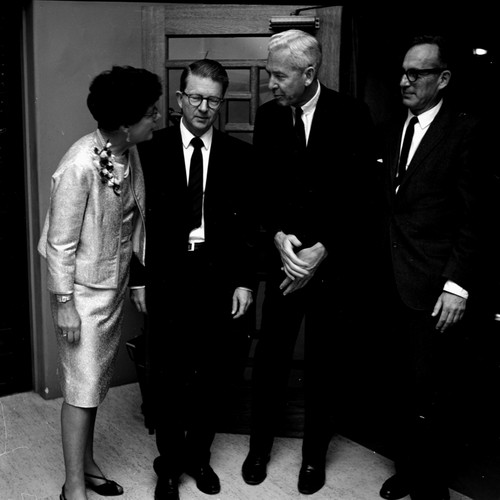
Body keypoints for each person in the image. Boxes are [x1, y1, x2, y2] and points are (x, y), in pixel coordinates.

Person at [241, 29, 380, 496]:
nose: (271, 82)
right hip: (286, 266)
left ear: (309, 72)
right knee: (270, 361)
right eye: (268, 72)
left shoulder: (352, 115)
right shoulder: (268, 117)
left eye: (279, 75)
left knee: (324, 364)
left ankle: (313, 457)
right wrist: (280, 239)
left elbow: (363, 200)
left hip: (330, 267)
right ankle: (259, 448)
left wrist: (324, 250)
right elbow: (261, 193)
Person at [129, 59, 258, 500]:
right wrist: (139, 280)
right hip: (166, 274)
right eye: (196, 97)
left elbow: (248, 227)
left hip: (217, 276)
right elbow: (134, 223)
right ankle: (168, 467)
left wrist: (245, 281)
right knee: (167, 375)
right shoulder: (149, 149)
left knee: (212, 374)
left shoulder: (239, 155)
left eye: (214, 100)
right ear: (180, 98)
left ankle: (199, 457)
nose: (204, 108)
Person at [37, 65, 162, 500]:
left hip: (111, 288)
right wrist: (66, 304)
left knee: (92, 387)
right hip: (80, 295)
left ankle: (87, 466)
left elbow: (135, 222)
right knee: (81, 388)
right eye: (151, 113)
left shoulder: (129, 152)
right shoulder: (79, 165)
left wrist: (138, 280)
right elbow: (59, 244)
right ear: (126, 124)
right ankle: (74, 487)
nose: (157, 119)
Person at [376, 35, 486, 500]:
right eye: (403, 71)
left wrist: (457, 286)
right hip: (389, 283)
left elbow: (478, 216)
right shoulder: (391, 127)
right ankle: (407, 470)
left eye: (416, 74)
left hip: (434, 289)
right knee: (399, 387)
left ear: (442, 79)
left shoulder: (467, 131)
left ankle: (430, 485)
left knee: (433, 394)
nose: (404, 81)